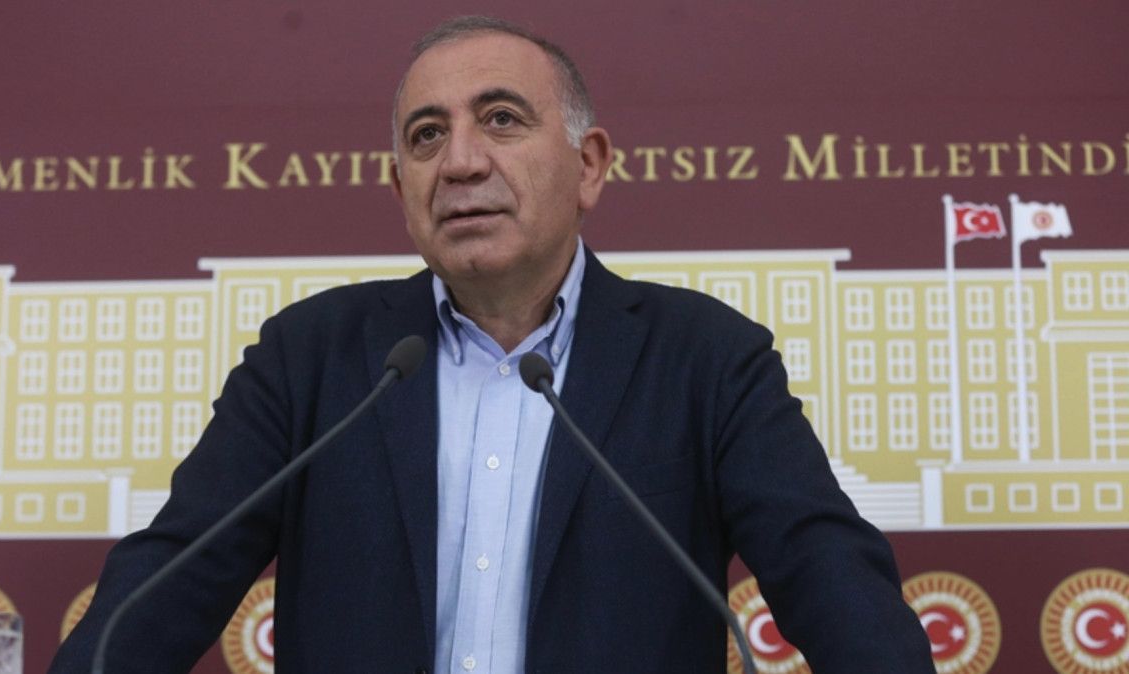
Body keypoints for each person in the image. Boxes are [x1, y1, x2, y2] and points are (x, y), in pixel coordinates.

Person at [51, 16, 934, 673]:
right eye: (426, 136)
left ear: (589, 165)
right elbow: (165, 586)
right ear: (400, 188)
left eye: (502, 119)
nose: (461, 162)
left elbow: (832, 583)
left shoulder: (706, 360)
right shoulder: (310, 359)